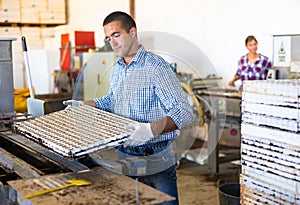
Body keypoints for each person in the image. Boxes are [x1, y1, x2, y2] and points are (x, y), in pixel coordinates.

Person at [64, 11, 193, 204]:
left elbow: (184, 112)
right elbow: (112, 100)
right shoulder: (118, 69)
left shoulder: (156, 67)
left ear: (132, 32)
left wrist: (149, 130)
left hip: (156, 156)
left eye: (116, 35)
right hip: (125, 156)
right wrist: (84, 106)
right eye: (108, 38)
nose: (112, 43)